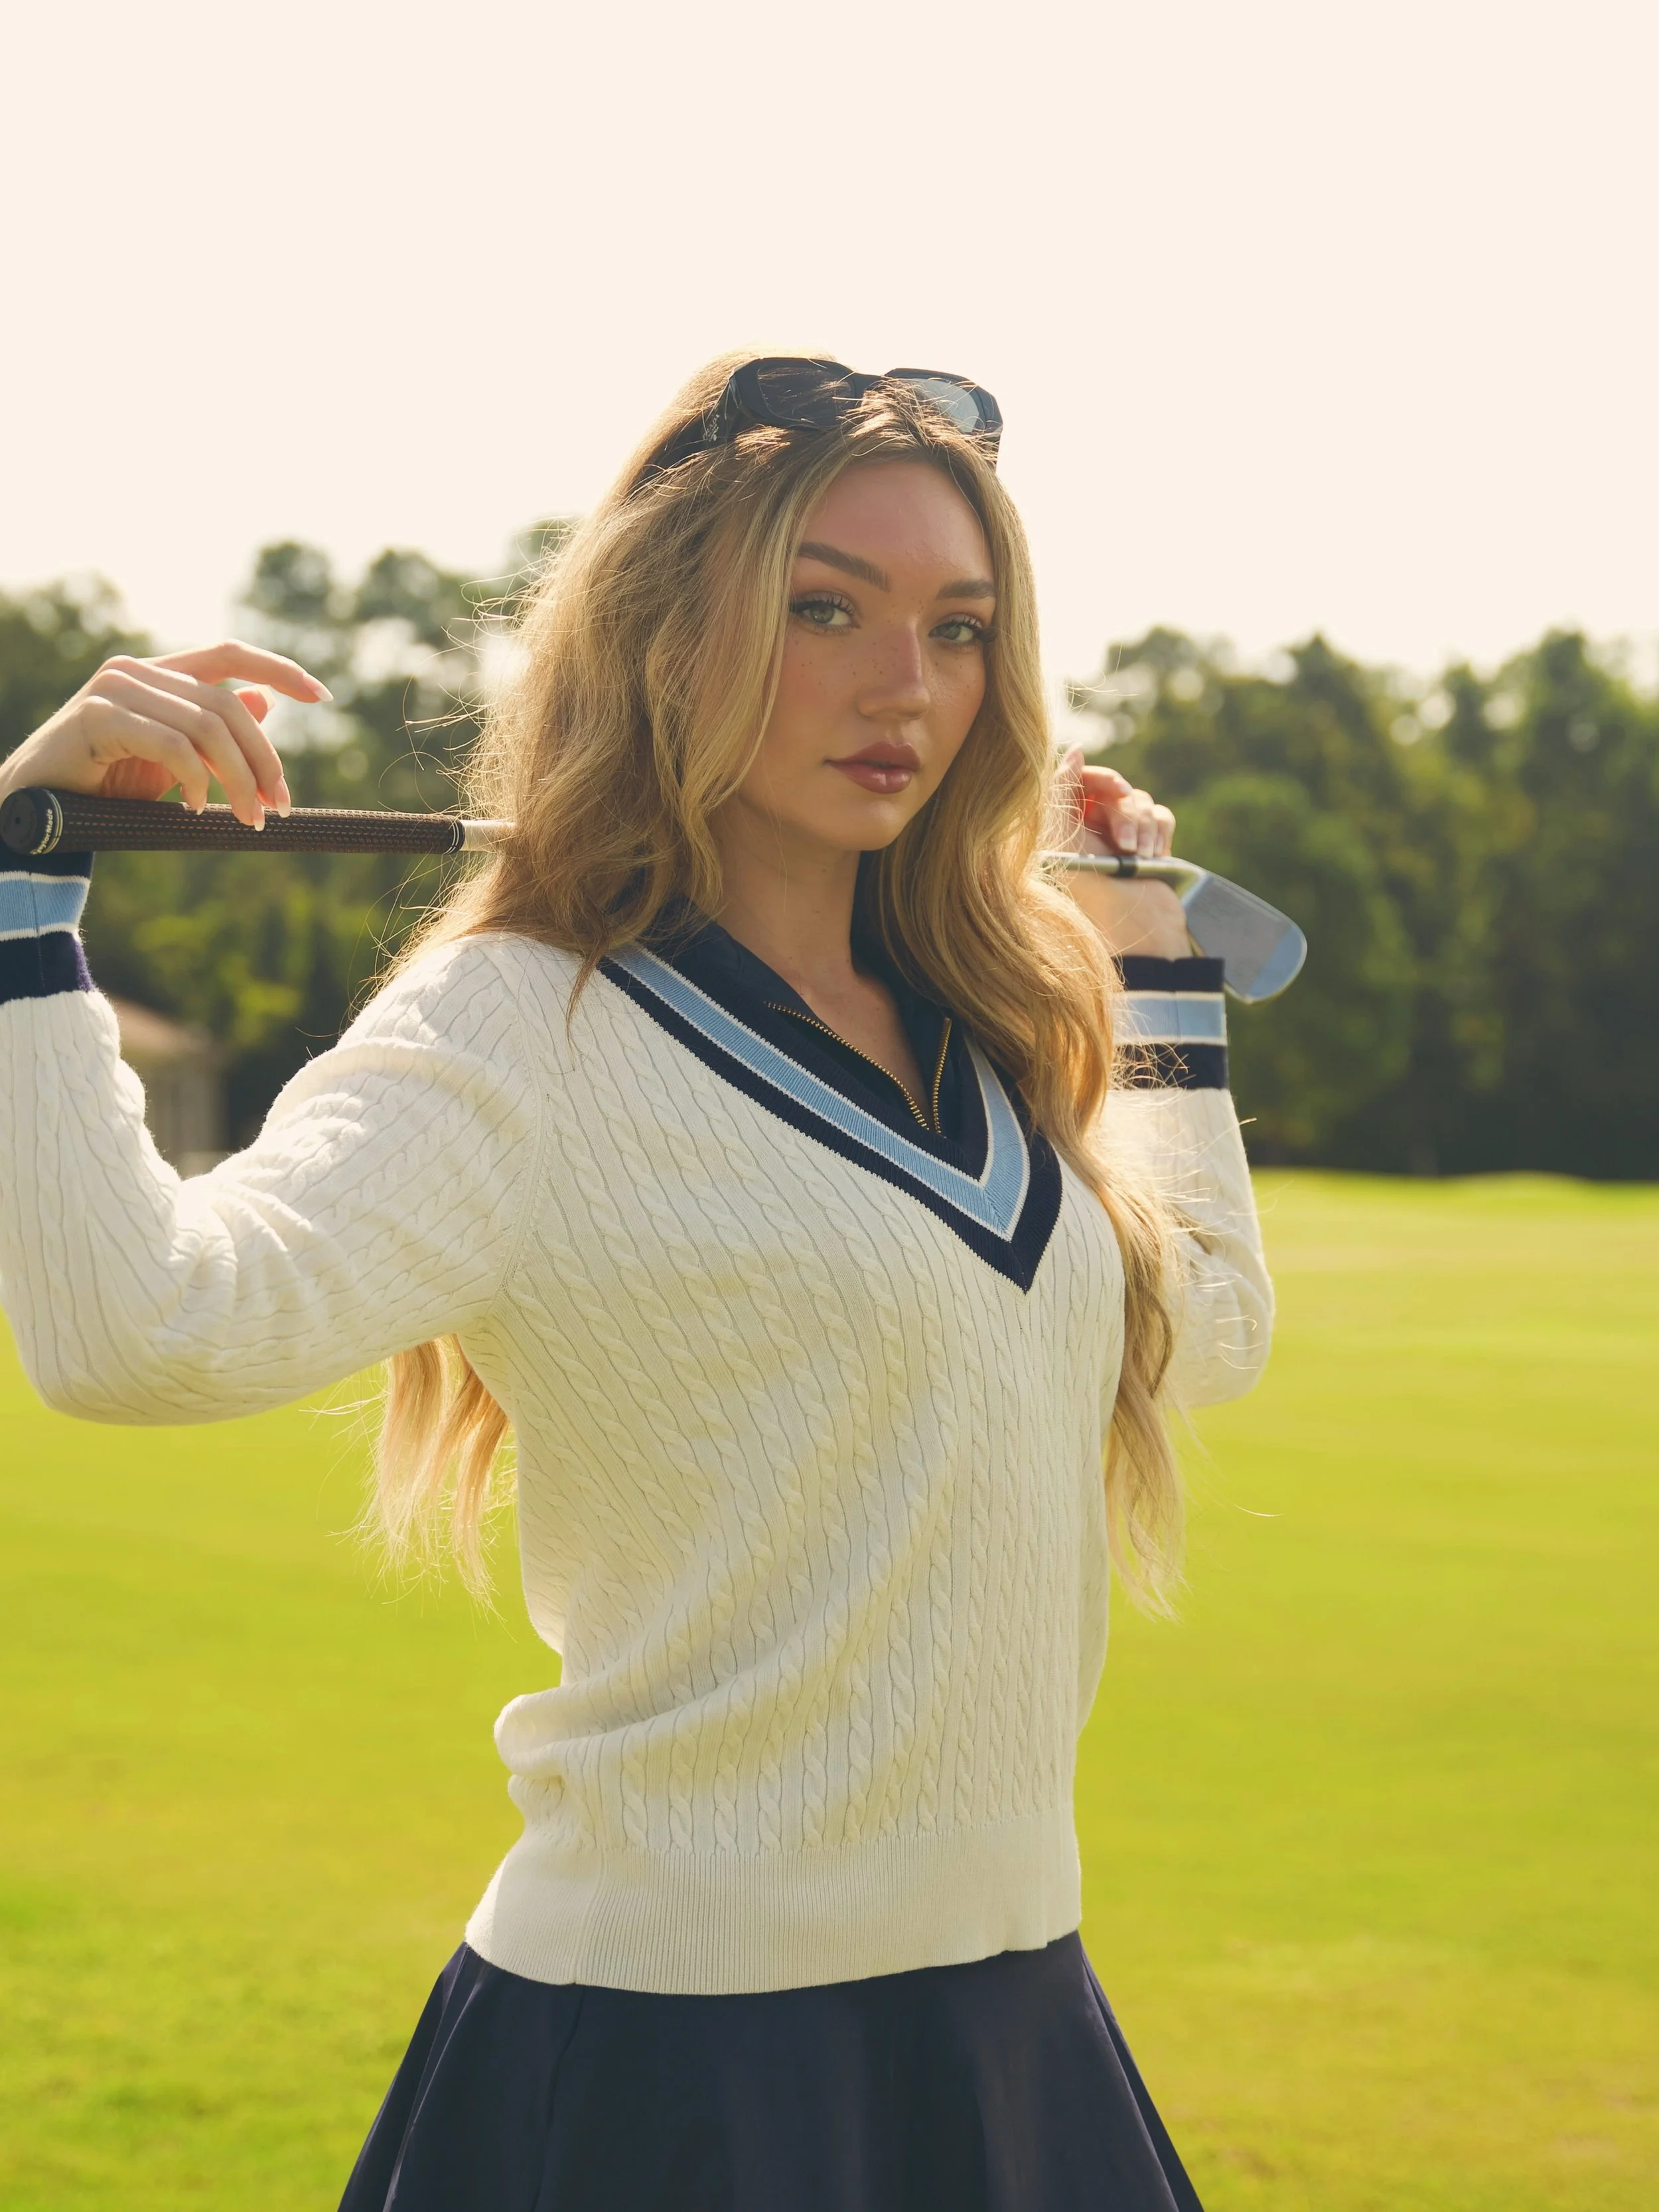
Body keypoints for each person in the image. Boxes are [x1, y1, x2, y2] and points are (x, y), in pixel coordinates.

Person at [0, 353, 1273, 2211]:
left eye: (956, 626)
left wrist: (1152, 987)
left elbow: (1203, 1334)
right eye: (819, 606)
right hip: (676, 2064)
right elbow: (135, 1331)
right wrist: (20, 903)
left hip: (1013, 2018)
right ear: (673, 634)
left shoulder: (989, 1018)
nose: (898, 683)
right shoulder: (523, 1024)